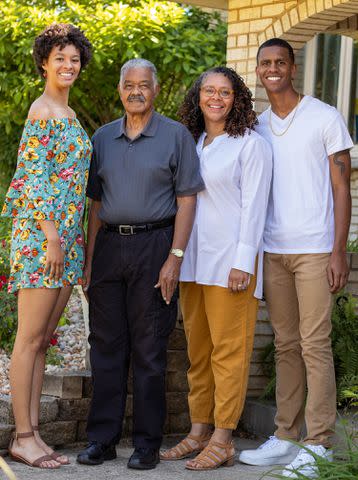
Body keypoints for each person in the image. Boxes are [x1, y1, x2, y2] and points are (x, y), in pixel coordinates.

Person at [76, 58, 204, 470]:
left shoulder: (176, 136)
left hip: (156, 246)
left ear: (155, 88)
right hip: (111, 247)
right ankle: (102, 439)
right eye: (128, 84)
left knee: (150, 350)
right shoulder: (102, 138)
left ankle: (147, 444)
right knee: (106, 347)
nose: (136, 91)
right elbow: (96, 204)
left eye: (143, 84)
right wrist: (90, 260)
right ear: (120, 89)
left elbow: (188, 199)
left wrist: (175, 258)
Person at [239, 38, 353, 478]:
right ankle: (286, 437)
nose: (272, 69)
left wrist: (339, 250)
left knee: (314, 344)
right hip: (274, 250)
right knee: (285, 345)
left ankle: (319, 442)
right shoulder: (258, 125)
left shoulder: (324, 116)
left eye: (279, 62)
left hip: (316, 248)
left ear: (293, 66)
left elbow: (342, 186)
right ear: (259, 69)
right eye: (265, 63)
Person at [160, 66, 272, 470]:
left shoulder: (251, 145)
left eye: (225, 92)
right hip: (192, 263)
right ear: (199, 96)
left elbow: (255, 208)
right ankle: (198, 431)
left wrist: (244, 262)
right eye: (209, 90)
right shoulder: (192, 141)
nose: (216, 98)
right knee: (199, 354)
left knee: (229, 354)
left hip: (230, 267)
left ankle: (223, 438)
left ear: (237, 98)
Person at [1, 23, 92, 469]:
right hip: (44, 237)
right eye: (60, 58)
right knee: (29, 339)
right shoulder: (43, 111)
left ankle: (33, 432)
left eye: (74, 59)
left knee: (42, 342)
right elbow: (33, 180)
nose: (68, 65)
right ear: (44, 62)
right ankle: (22, 436)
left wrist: (70, 241)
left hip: (65, 239)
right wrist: (53, 237)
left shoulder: (68, 113)